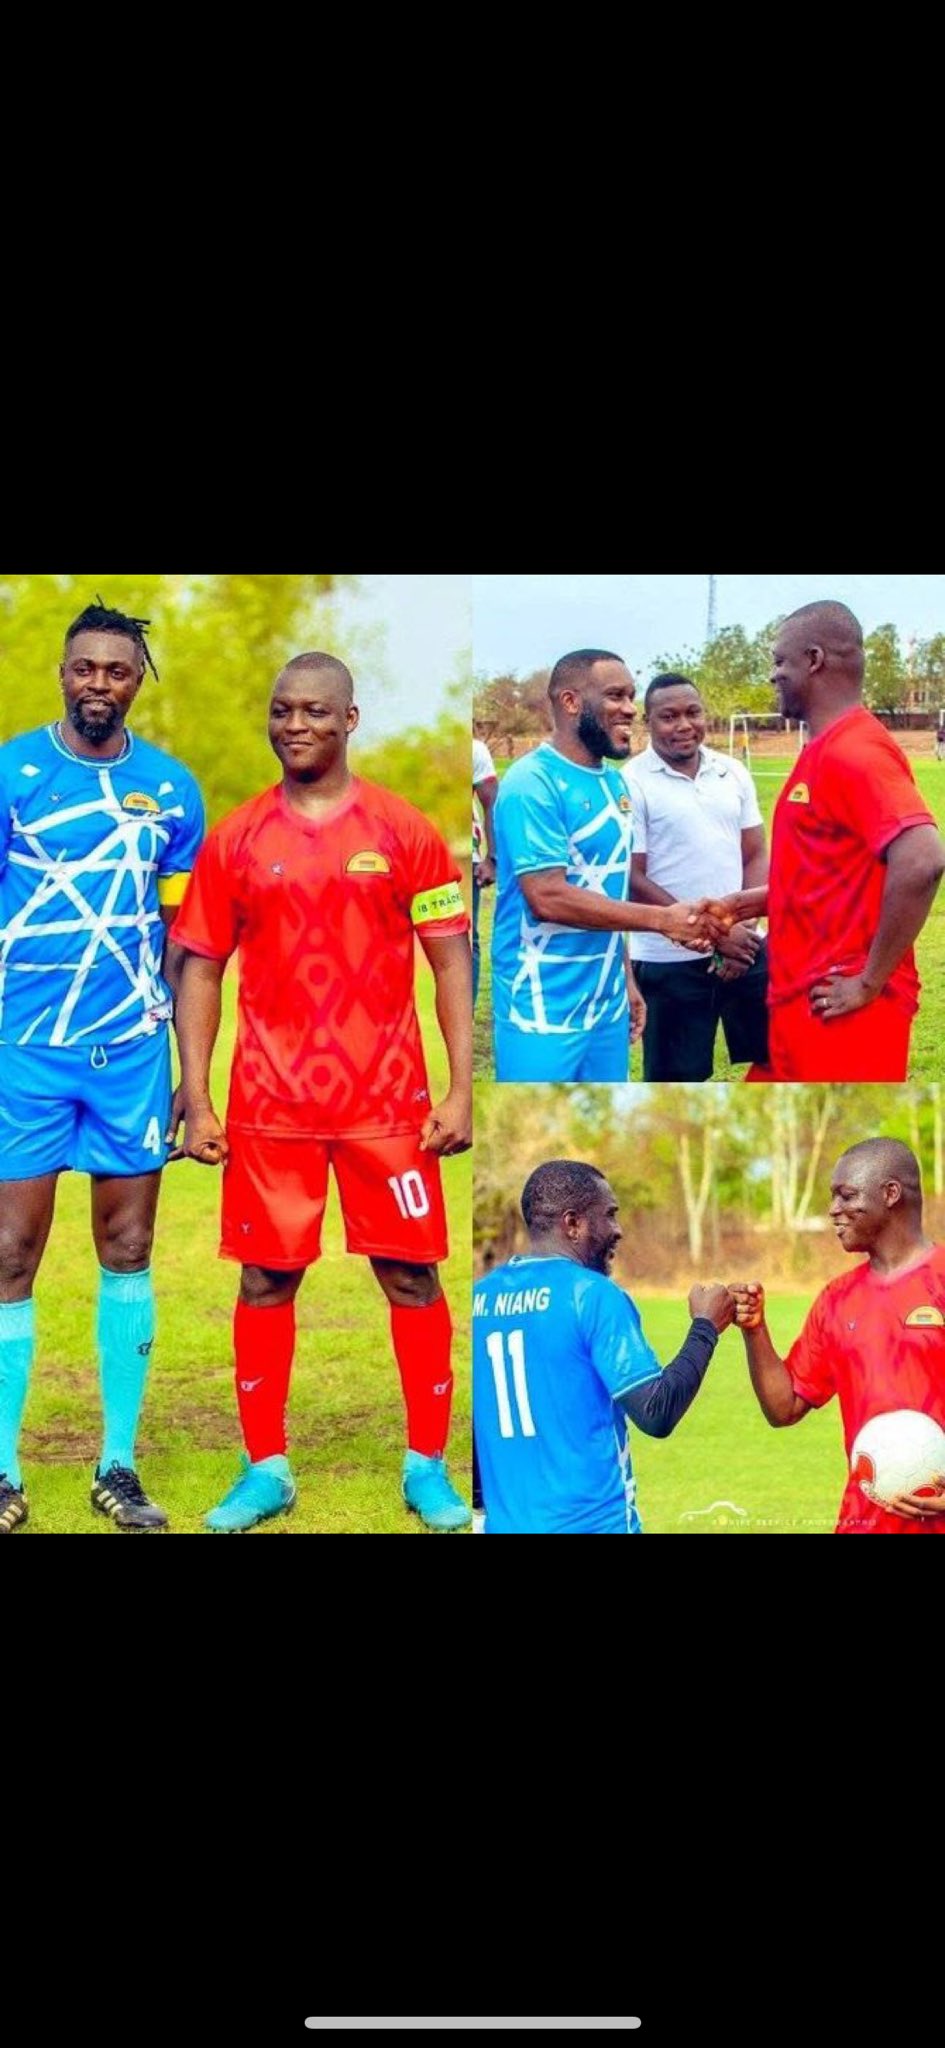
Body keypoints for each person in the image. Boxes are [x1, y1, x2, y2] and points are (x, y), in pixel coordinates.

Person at [170, 651, 473, 1534]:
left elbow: (451, 960)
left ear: (349, 719)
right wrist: (198, 1098)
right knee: (266, 1279)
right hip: (270, 1104)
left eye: (313, 711)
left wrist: (459, 1090)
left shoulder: (406, 830)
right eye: (282, 710)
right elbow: (200, 969)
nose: (294, 725)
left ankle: (427, 1468)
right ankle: (265, 1470)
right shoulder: (235, 838)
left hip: (389, 1105)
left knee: (410, 1275)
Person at [0, 600, 204, 1535]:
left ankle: (117, 1467)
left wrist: (185, 1067)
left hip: (129, 1054)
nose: (99, 683)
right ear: (62, 673)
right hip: (24, 1053)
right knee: (10, 1254)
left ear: (136, 683)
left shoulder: (171, 791)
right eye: (85, 667)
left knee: (127, 1248)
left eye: (116, 671)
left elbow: (184, 938)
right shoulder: (13, 772)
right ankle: (4, 1473)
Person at [711, 602, 945, 1081]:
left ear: (814, 660)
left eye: (780, 661)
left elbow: (923, 859)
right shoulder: (825, 748)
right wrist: (752, 902)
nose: (773, 674)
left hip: (842, 1011)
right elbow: (832, 873)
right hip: (799, 1001)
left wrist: (868, 982)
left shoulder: (854, 751)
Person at [490, 649, 719, 1083]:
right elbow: (547, 897)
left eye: (631, 696)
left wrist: (626, 978)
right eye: (616, 696)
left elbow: (608, 891)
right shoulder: (531, 781)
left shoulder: (616, 784)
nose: (630, 709)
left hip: (607, 1006)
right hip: (540, 1008)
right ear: (571, 701)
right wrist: (662, 920)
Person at [472, 1158, 734, 1534]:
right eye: (609, 1215)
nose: (618, 1230)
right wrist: (706, 1327)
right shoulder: (592, 1295)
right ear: (573, 1223)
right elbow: (656, 1412)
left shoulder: (481, 1296)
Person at [730, 1138, 945, 1534]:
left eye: (846, 1196)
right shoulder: (836, 1299)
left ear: (890, 1194)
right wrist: (755, 1329)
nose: (833, 1210)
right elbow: (784, 1407)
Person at [624, 673, 770, 1081]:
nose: (684, 725)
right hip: (668, 959)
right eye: (669, 716)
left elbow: (755, 852)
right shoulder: (630, 782)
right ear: (648, 722)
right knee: (677, 1080)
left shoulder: (732, 771)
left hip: (746, 947)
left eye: (693, 713)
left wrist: (740, 928)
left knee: (777, 1061)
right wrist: (716, 933)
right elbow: (632, 876)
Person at [472, 731, 498, 1009]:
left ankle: (463, 1015)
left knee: (467, 937)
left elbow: (491, 802)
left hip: (465, 857)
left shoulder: (475, 749)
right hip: (411, 851)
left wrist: (492, 858)